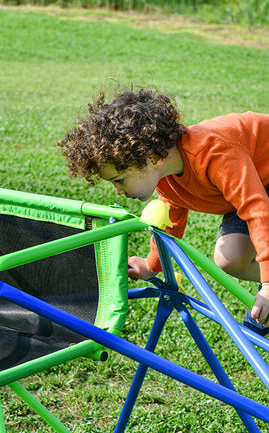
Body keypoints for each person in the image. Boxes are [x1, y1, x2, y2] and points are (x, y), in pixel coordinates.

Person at [60, 87, 269, 333]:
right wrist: (151, 265)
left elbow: (255, 207)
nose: (117, 190)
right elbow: (171, 215)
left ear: (152, 158)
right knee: (230, 258)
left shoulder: (213, 154)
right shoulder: (165, 174)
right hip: (256, 182)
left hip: (259, 186)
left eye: (119, 179)